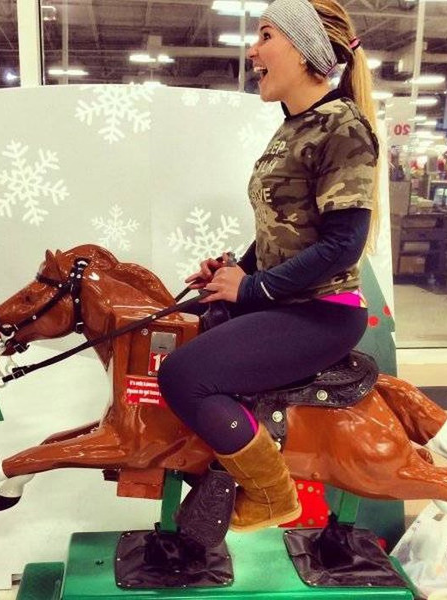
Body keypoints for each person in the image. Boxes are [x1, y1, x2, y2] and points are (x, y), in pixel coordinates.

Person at [157, 0, 379, 532]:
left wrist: (251, 289)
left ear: (304, 51)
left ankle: (272, 494)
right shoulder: (294, 126)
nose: (252, 52)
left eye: (265, 36)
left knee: (181, 375)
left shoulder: (343, 128)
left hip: (322, 312)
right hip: (286, 299)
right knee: (181, 328)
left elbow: (343, 246)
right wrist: (230, 271)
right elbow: (280, 228)